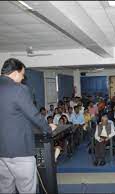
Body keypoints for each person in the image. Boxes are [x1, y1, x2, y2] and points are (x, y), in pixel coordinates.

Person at [0, 58, 56, 193]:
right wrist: (48, 128)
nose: (23, 77)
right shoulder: (19, 89)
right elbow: (33, 115)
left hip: (1, 152)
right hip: (20, 150)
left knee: (5, 189)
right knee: (27, 189)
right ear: (15, 73)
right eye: (22, 74)